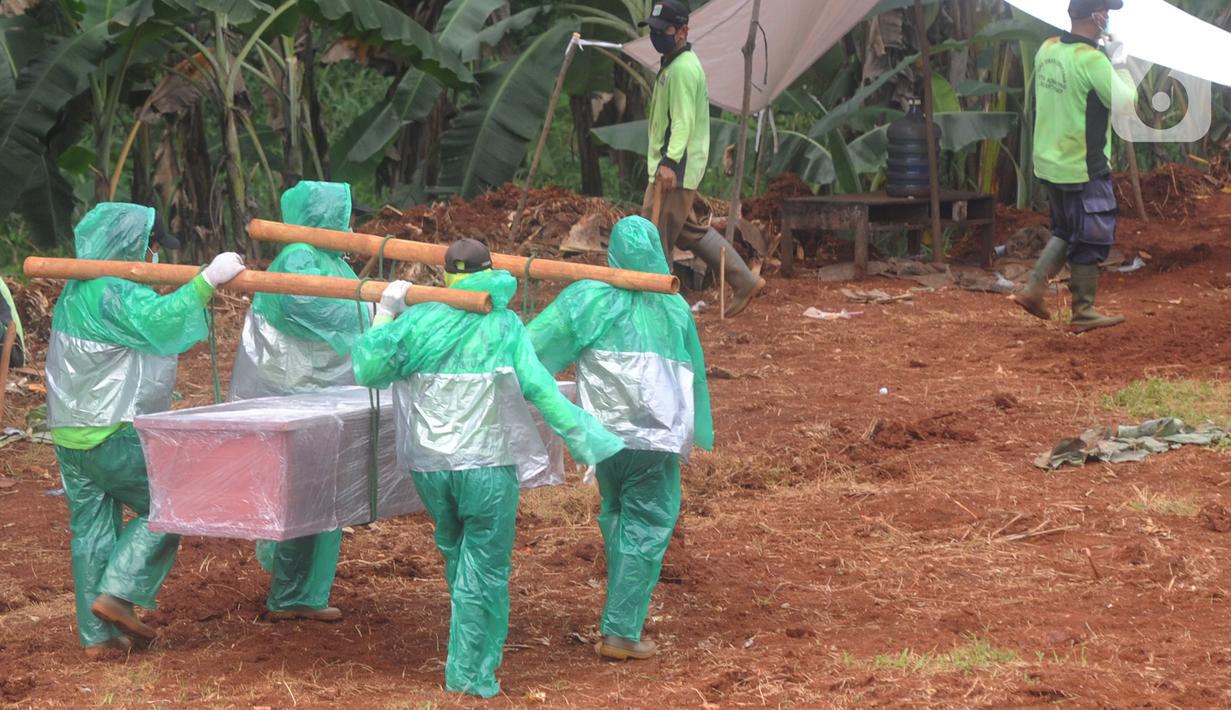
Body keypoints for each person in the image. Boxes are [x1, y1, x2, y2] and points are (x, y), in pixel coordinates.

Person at [350, 239, 624, 698]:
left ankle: (467, 644)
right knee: (485, 567)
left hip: (430, 467)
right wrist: (588, 440)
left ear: (447, 276)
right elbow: (542, 390)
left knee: (458, 552)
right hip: (486, 468)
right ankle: (469, 675)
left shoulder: (418, 320)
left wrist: (385, 313)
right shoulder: (503, 325)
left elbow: (368, 368)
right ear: (491, 270)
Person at [46, 203, 245, 657]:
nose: (155, 256)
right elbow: (163, 321)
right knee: (173, 502)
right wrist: (207, 281)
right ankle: (118, 594)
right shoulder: (114, 294)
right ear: (132, 246)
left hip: (69, 434)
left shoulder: (76, 291)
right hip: (109, 432)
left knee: (92, 530)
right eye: (152, 246)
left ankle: (98, 639)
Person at [527, 216, 713, 661]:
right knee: (647, 524)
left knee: (617, 513)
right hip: (654, 443)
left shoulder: (586, 298)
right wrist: (699, 430)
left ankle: (620, 609)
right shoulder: (674, 306)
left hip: (603, 439)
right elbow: (696, 376)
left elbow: (531, 348)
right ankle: (622, 631)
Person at [229, 181, 369, 623]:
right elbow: (311, 305)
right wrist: (376, 311)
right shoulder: (299, 258)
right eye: (345, 215)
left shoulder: (329, 260)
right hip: (295, 391)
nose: (351, 225)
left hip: (320, 393)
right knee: (304, 491)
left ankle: (307, 594)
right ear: (325, 217)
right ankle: (288, 594)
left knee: (326, 494)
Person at [1012, 0, 1137, 332]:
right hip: (1082, 166)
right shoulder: (1092, 60)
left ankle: (1034, 288)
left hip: (1050, 163)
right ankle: (1083, 311)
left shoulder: (1047, 49)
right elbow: (1126, 104)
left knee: (1067, 230)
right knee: (1093, 236)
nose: (1108, 18)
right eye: (1106, 12)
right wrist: (1121, 63)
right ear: (1095, 17)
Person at [639, 0, 765, 318]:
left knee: (654, 239)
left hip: (674, 169)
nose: (657, 36)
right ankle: (744, 279)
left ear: (683, 31)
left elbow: (682, 123)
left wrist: (669, 163)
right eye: (653, 30)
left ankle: (660, 313)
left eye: (663, 30)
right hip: (678, 166)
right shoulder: (675, 63)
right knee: (687, 231)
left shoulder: (681, 69)